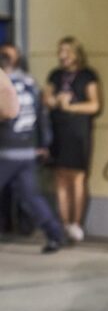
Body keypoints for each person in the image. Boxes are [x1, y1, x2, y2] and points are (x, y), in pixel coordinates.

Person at [0, 44, 65, 254]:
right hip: (27, 151)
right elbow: (41, 115)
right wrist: (44, 144)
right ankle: (55, 235)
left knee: (31, 196)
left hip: (7, 150)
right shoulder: (30, 82)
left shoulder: (4, 84)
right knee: (32, 196)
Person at [43, 36, 100, 243]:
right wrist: (55, 101)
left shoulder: (87, 75)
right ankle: (64, 223)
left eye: (66, 51)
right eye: (60, 51)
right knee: (60, 178)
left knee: (77, 178)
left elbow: (94, 105)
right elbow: (46, 98)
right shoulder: (55, 75)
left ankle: (77, 223)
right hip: (58, 131)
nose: (62, 55)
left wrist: (71, 107)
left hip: (78, 132)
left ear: (76, 53)